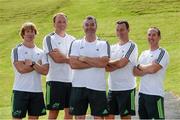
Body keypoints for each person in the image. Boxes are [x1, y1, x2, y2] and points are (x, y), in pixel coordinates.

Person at [69, 16, 110, 120]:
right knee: (79, 117)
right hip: (78, 86)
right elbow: (73, 64)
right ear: (83, 27)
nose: (89, 27)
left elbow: (104, 62)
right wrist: (96, 62)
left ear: (96, 26)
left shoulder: (103, 44)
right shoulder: (76, 43)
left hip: (97, 87)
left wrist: (85, 58)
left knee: (98, 118)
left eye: (92, 24)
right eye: (87, 25)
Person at [11, 22, 49, 119]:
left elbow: (45, 71)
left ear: (35, 34)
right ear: (23, 34)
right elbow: (21, 69)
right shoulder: (17, 50)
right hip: (20, 90)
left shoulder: (41, 52)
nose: (30, 34)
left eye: (32, 32)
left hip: (36, 91)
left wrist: (32, 63)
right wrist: (38, 65)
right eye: (27, 31)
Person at [43, 12, 75, 119]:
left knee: (70, 113)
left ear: (67, 23)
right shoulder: (49, 38)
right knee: (54, 113)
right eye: (59, 22)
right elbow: (56, 58)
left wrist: (64, 57)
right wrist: (69, 59)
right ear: (54, 24)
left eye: (64, 21)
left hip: (71, 81)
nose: (62, 24)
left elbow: (75, 59)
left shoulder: (73, 39)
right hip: (55, 81)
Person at [133, 27, 169, 119]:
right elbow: (135, 72)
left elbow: (154, 69)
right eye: (149, 35)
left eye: (154, 35)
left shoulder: (163, 53)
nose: (151, 37)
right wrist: (148, 67)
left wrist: (141, 67)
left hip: (155, 95)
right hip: (142, 94)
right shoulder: (144, 53)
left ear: (159, 37)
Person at [105, 20, 138, 120]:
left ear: (128, 30)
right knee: (108, 117)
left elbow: (121, 63)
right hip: (112, 88)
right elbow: (106, 67)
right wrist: (117, 64)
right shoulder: (112, 47)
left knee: (125, 118)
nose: (120, 32)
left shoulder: (132, 46)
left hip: (127, 89)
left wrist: (111, 62)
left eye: (122, 29)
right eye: (118, 30)